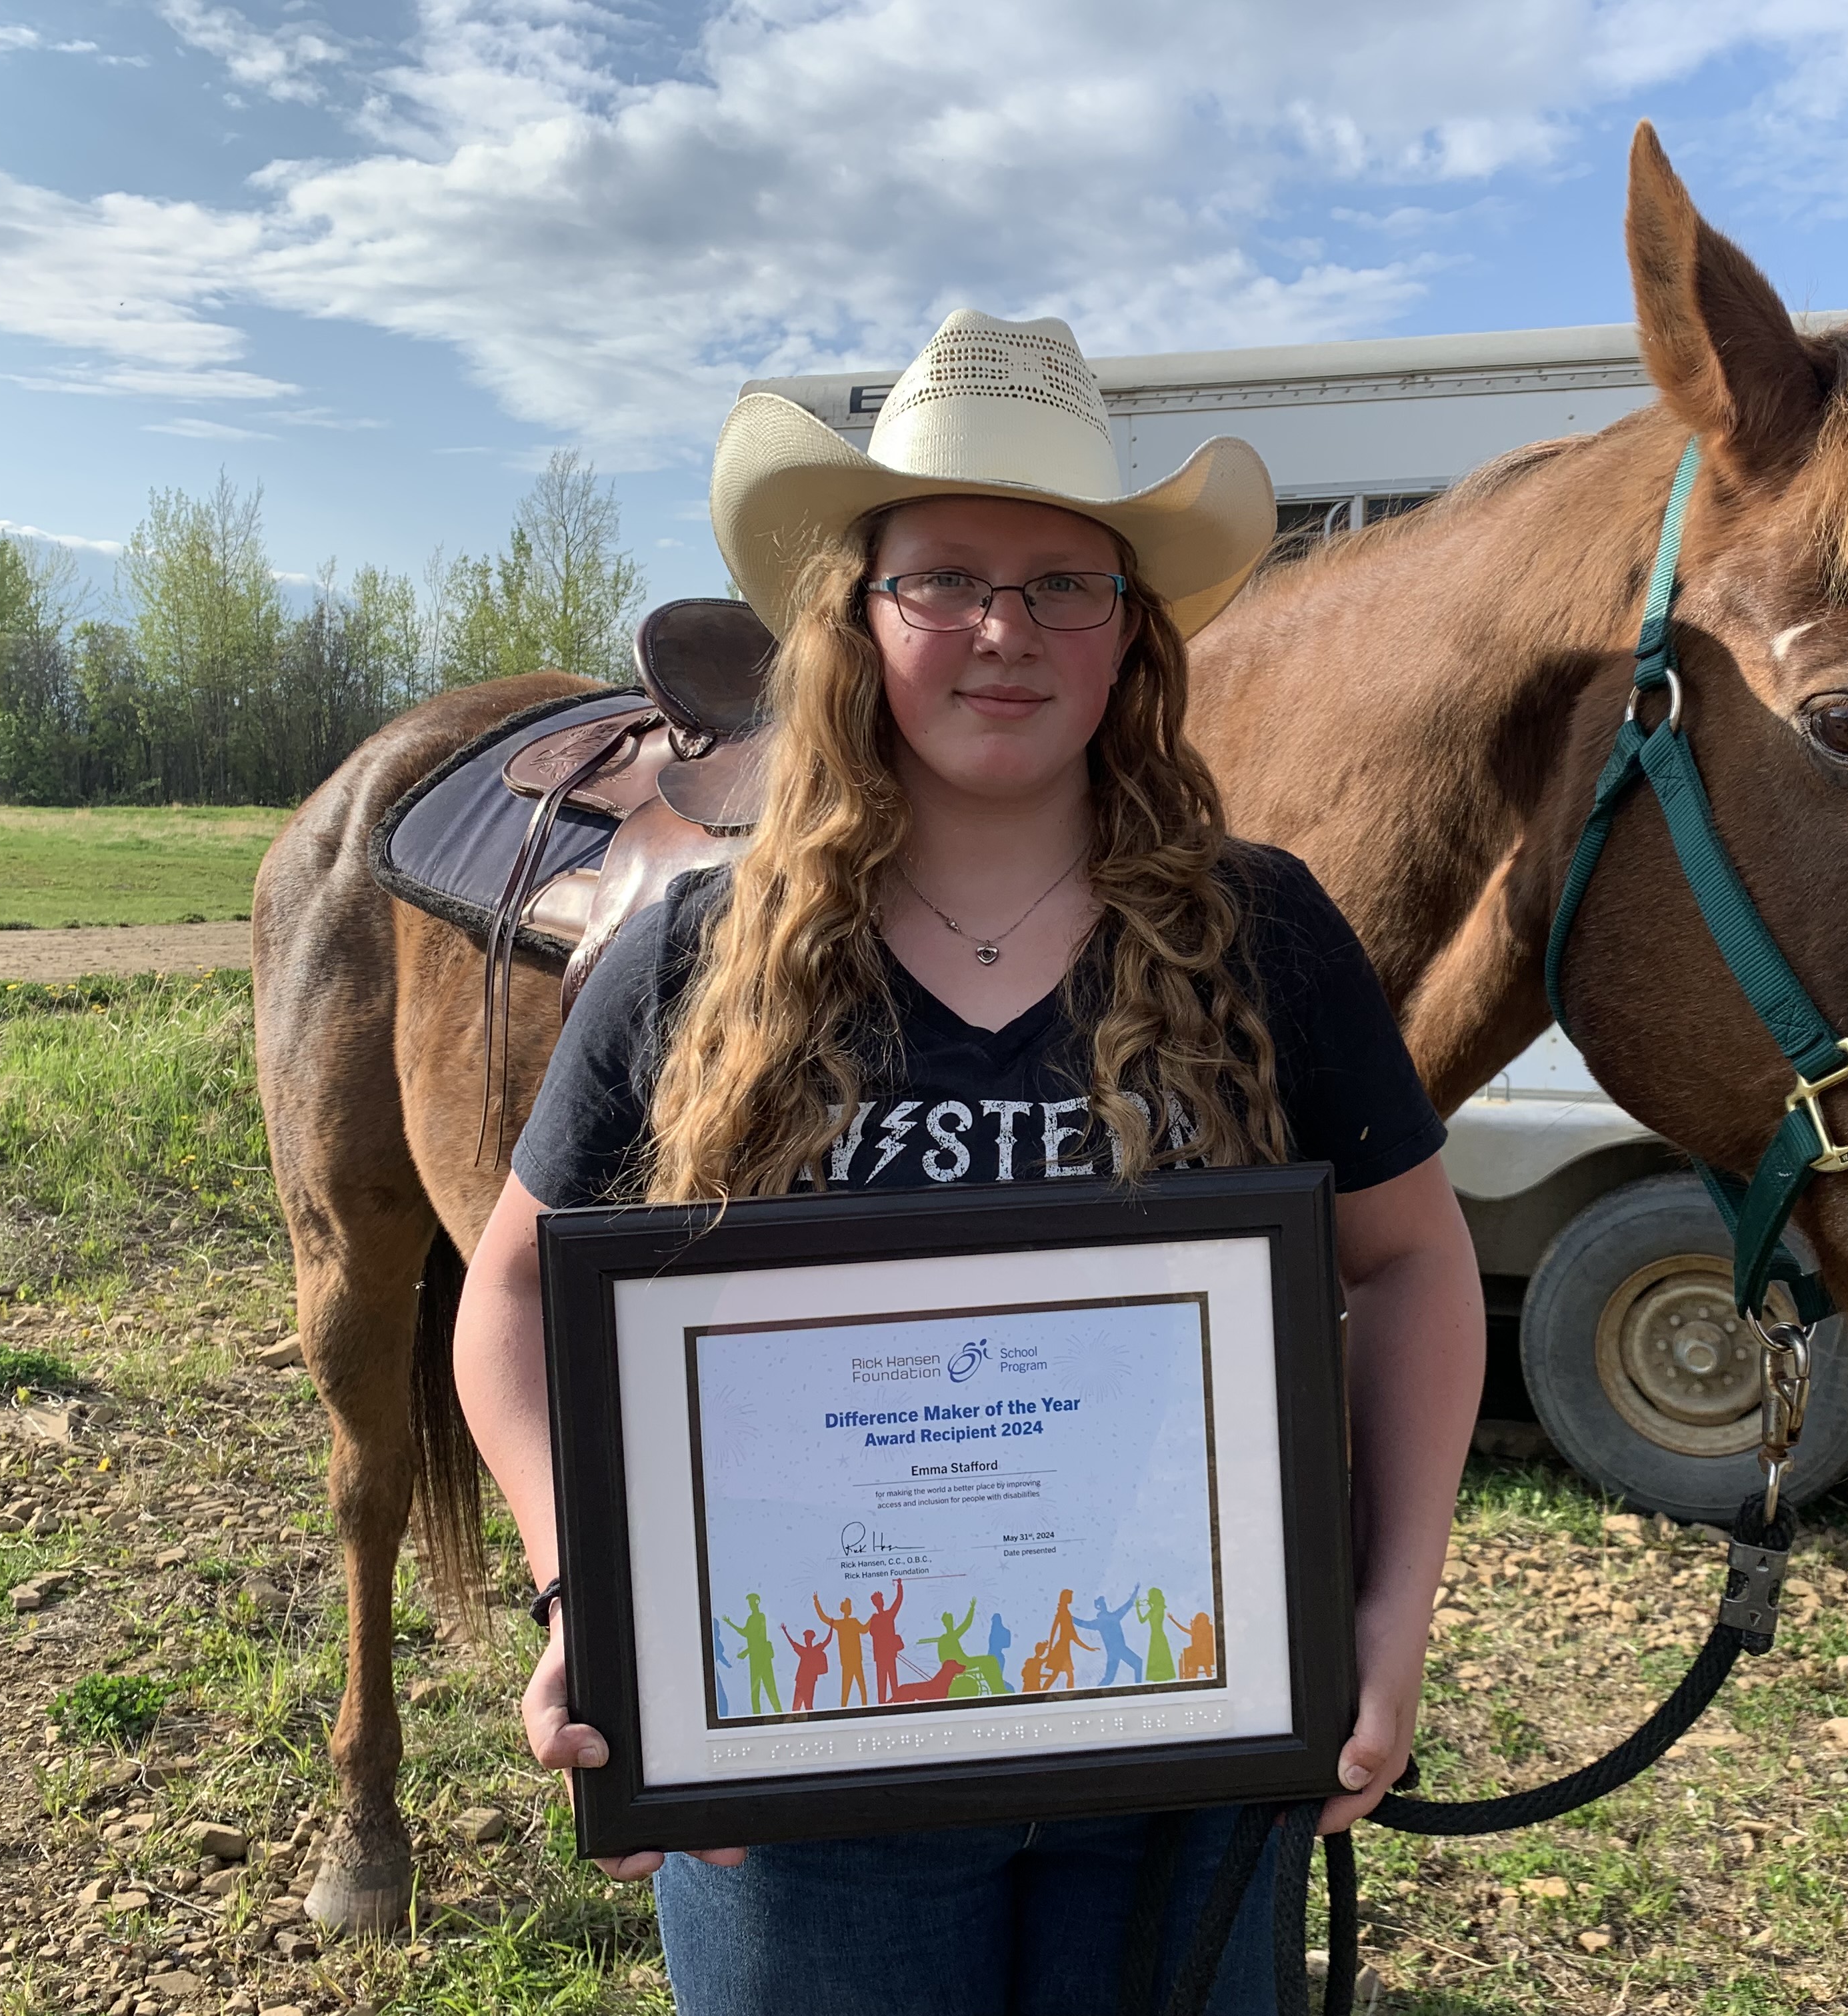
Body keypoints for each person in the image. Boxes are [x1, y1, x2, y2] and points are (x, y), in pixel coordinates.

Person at [456, 308, 1485, 2016]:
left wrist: (1390, 1607)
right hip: (796, 1789)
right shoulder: (690, 958)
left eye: (1062, 584)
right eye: (942, 579)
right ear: (856, 620)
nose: (1003, 631)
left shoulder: (1265, 934)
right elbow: (508, 1295)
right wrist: (591, 1595)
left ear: (1125, 632)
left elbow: (1411, 1259)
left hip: (1182, 1750)